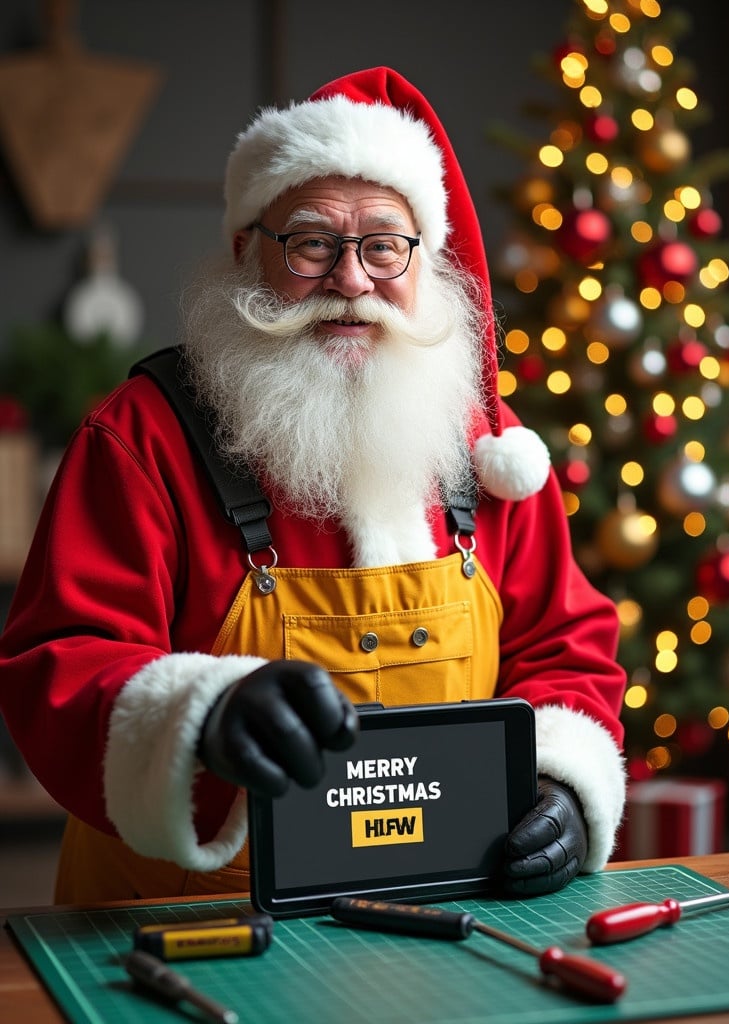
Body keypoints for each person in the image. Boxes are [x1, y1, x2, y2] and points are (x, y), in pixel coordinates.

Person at [0, 67, 626, 904]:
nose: (352, 278)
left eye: (383, 244)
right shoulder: (139, 437)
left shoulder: (486, 448)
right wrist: (203, 717)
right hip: (189, 920)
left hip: (437, 916)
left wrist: (562, 781)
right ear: (244, 251)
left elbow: (563, 645)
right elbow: (60, 662)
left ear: (424, 259)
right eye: (312, 242)